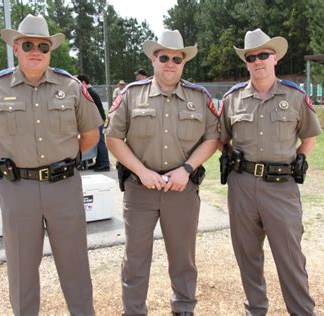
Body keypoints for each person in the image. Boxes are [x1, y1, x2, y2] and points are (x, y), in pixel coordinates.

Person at [0, 14, 101, 315]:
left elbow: (90, 136)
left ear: (51, 49)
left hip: (63, 186)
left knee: (75, 264)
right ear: (16, 48)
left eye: (43, 45)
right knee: (21, 268)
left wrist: (61, 159)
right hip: (18, 188)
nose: (35, 50)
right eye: (28, 44)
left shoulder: (72, 87)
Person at [106, 30, 220, 316]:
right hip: (140, 188)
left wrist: (187, 169)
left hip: (181, 189)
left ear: (183, 63)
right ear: (153, 58)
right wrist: (141, 171)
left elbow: (213, 138)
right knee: (135, 256)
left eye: (177, 58)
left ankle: (183, 307)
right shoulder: (131, 95)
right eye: (164, 57)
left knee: (183, 255)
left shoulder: (199, 97)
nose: (170, 63)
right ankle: (133, 310)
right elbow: (113, 137)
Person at [219, 28, 321, 315]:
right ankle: (256, 309)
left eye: (263, 55)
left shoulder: (295, 96)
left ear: (275, 58)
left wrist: (299, 157)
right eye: (251, 57)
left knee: (290, 256)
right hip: (242, 185)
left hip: (281, 186)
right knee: (248, 256)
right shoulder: (232, 99)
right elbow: (221, 139)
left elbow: (310, 136)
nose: (257, 61)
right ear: (246, 62)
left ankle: (301, 311)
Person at [77, 74, 110, 171]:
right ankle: (100, 162)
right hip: (97, 119)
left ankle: (104, 163)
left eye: (78, 83)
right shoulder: (90, 91)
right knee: (98, 141)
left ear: (83, 82)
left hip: (98, 120)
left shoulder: (89, 92)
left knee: (99, 141)